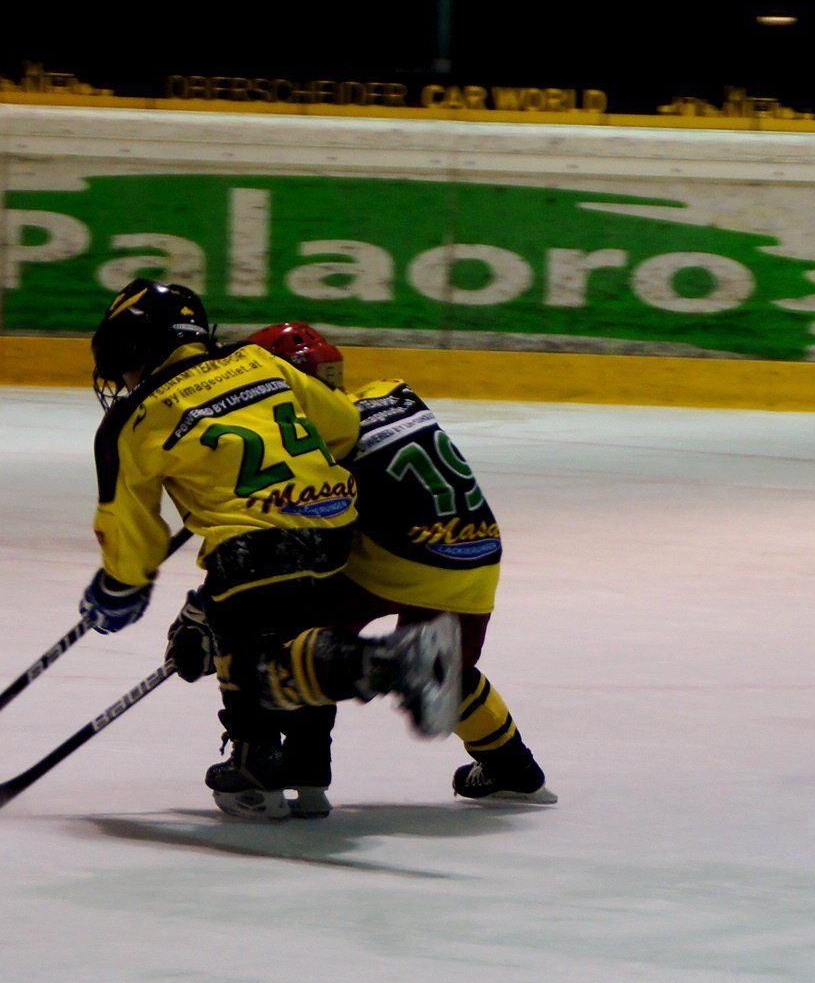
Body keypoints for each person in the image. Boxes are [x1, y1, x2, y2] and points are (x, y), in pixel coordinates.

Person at [82, 280, 461, 820]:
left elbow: (132, 533)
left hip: (255, 543)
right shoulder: (257, 361)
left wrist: (118, 590)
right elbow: (342, 425)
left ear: (134, 346)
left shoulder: (131, 420)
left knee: (251, 662)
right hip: (335, 526)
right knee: (300, 638)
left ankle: (387, 664)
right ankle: (304, 770)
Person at [243, 321, 553, 811]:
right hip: (477, 555)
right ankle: (515, 770)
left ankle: (305, 772)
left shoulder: (309, 440)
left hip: (402, 561)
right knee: (441, 670)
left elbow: (319, 532)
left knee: (305, 637)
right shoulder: (392, 391)